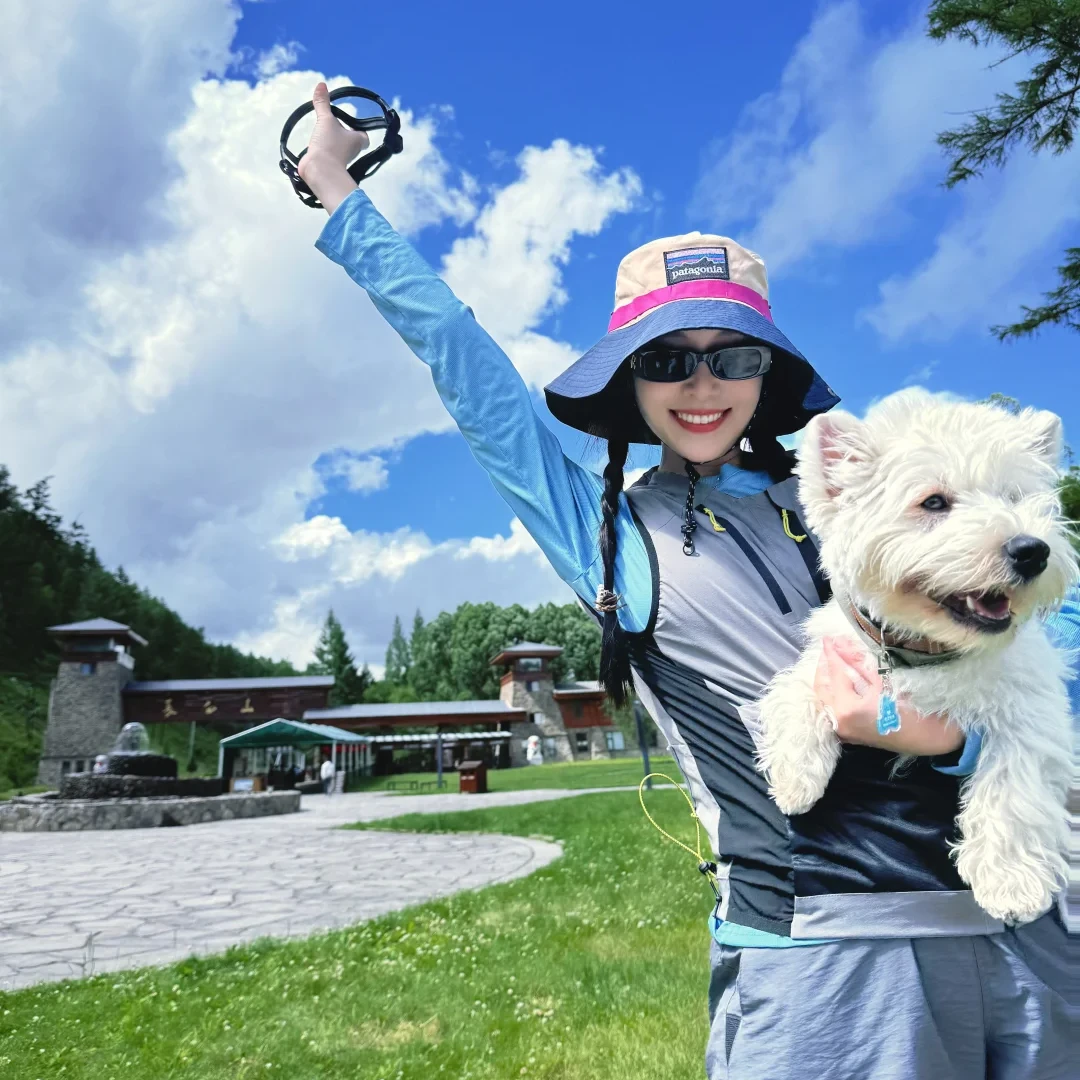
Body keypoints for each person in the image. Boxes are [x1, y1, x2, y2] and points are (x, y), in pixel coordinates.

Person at [295, 82, 1076, 1078]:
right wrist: (336, 193)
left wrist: (949, 744)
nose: (701, 384)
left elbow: (1059, 646)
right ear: (628, 377)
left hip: (1034, 935)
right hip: (827, 961)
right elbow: (466, 363)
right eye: (666, 359)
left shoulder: (872, 485)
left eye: (731, 354)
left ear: (767, 371)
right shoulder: (611, 534)